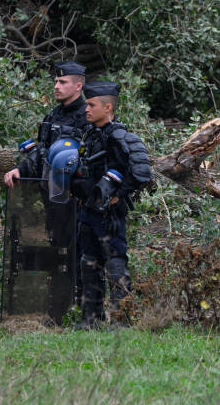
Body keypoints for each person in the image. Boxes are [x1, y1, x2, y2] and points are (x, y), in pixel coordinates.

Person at [72, 80, 153, 327]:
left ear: (108, 108)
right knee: (88, 261)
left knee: (115, 262)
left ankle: (121, 319)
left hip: (109, 214)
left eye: (91, 105)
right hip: (88, 210)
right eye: (86, 104)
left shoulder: (120, 136)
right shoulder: (90, 134)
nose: (86, 109)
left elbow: (142, 174)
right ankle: (91, 318)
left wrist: (119, 194)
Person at [3, 60, 90, 188]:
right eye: (56, 81)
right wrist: (20, 169)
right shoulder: (53, 115)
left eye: (62, 82)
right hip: (49, 190)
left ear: (78, 86)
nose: (56, 86)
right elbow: (42, 151)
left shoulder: (89, 116)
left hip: (75, 194)